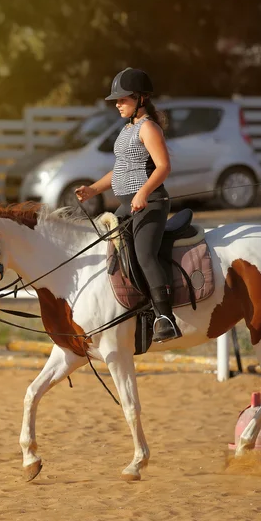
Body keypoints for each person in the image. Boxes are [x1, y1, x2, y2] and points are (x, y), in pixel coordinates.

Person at [75, 67, 182, 343]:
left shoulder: (148, 128)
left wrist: (144, 192)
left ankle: (165, 316)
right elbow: (120, 170)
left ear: (141, 99)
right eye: (117, 100)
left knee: (145, 254)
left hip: (151, 203)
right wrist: (93, 189)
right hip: (129, 204)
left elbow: (163, 166)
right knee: (110, 247)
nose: (118, 104)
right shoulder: (127, 129)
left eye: (123, 99)